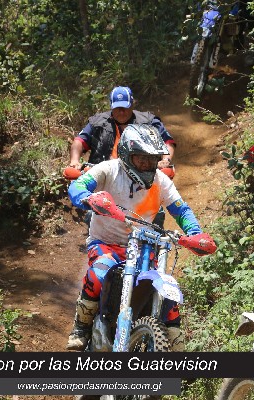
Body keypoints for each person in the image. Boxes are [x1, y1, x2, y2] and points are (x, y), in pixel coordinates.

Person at [66, 123, 214, 352]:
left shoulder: (161, 181)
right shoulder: (108, 169)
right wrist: (89, 198)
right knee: (98, 273)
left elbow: (181, 210)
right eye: (141, 158)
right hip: (105, 243)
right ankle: (81, 328)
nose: (146, 164)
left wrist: (195, 234)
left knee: (168, 295)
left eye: (152, 159)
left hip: (144, 248)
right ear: (127, 154)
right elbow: (78, 186)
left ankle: (176, 350)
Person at [68, 86, 175, 171]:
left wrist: (166, 159)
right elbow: (79, 142)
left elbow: (167, 142)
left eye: (125, 107)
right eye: (118, 108)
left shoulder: (149, 122)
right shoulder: (97, 123)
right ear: (111, 106)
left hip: (141, 176)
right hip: (102, 176)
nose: (121, 112)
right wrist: (74, 161)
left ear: (132, 105)